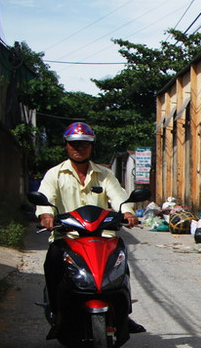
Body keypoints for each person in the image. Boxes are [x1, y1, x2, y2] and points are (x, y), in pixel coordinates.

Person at [35, 122, 145, 336]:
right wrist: (46, 215)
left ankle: (123, 313)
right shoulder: (54, 174)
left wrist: (128, 212)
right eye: (74, 144)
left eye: (84, 144)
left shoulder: (104, 175)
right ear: (66, 145)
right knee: (52, 264)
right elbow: (46, 199)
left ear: (91, 146)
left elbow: (120, 198)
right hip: (67, 238)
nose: (79, 148)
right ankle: (57, 313)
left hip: (102, 237)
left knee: (120, 265)